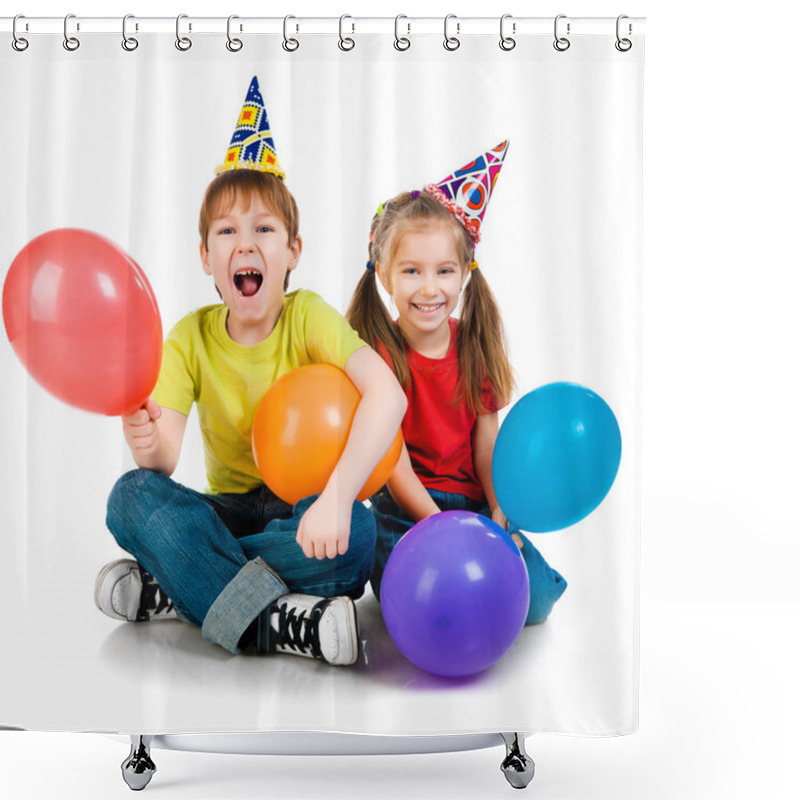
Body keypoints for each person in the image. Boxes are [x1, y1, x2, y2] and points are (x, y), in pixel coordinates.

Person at [94, 76, 407, 666]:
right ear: (206, 256)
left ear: (292, 251)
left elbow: (387, 398)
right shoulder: (189, 336)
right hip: (230, 505)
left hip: (303, 509)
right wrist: (145, 440)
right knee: (130, 496)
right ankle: (281, 622)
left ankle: (180, 585)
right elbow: (161, 464)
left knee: (359, 535)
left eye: (264, 229)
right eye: (227, 232)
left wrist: (337, 498)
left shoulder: (308, 315)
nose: (246, 243)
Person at [346, 142, 566, 624]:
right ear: (384, 274)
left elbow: (488, 441)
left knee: (537, 601)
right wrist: (436, 526)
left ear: (464, 273)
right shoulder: (378, 354)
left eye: (444, 271)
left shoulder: (472, 345)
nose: (429, 288)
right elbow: (393, 460)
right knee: (420, 597)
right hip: (406, 509)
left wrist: (497, 513)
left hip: (473, 504)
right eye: (411, 271)